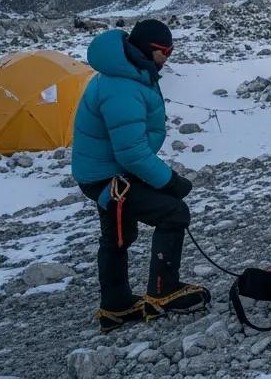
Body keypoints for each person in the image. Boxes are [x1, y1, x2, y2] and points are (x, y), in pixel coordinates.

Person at [71, 20, 210, 332]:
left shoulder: (130, 72)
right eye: (165, 51)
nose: (168, 57)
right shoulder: (122, 85)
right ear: (150, 49)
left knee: (118, 233)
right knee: (173, 213)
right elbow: (131, 152)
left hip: (107, 173)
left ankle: (116, 305)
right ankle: (163, 290)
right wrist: (170, 182)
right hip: (110, 176)